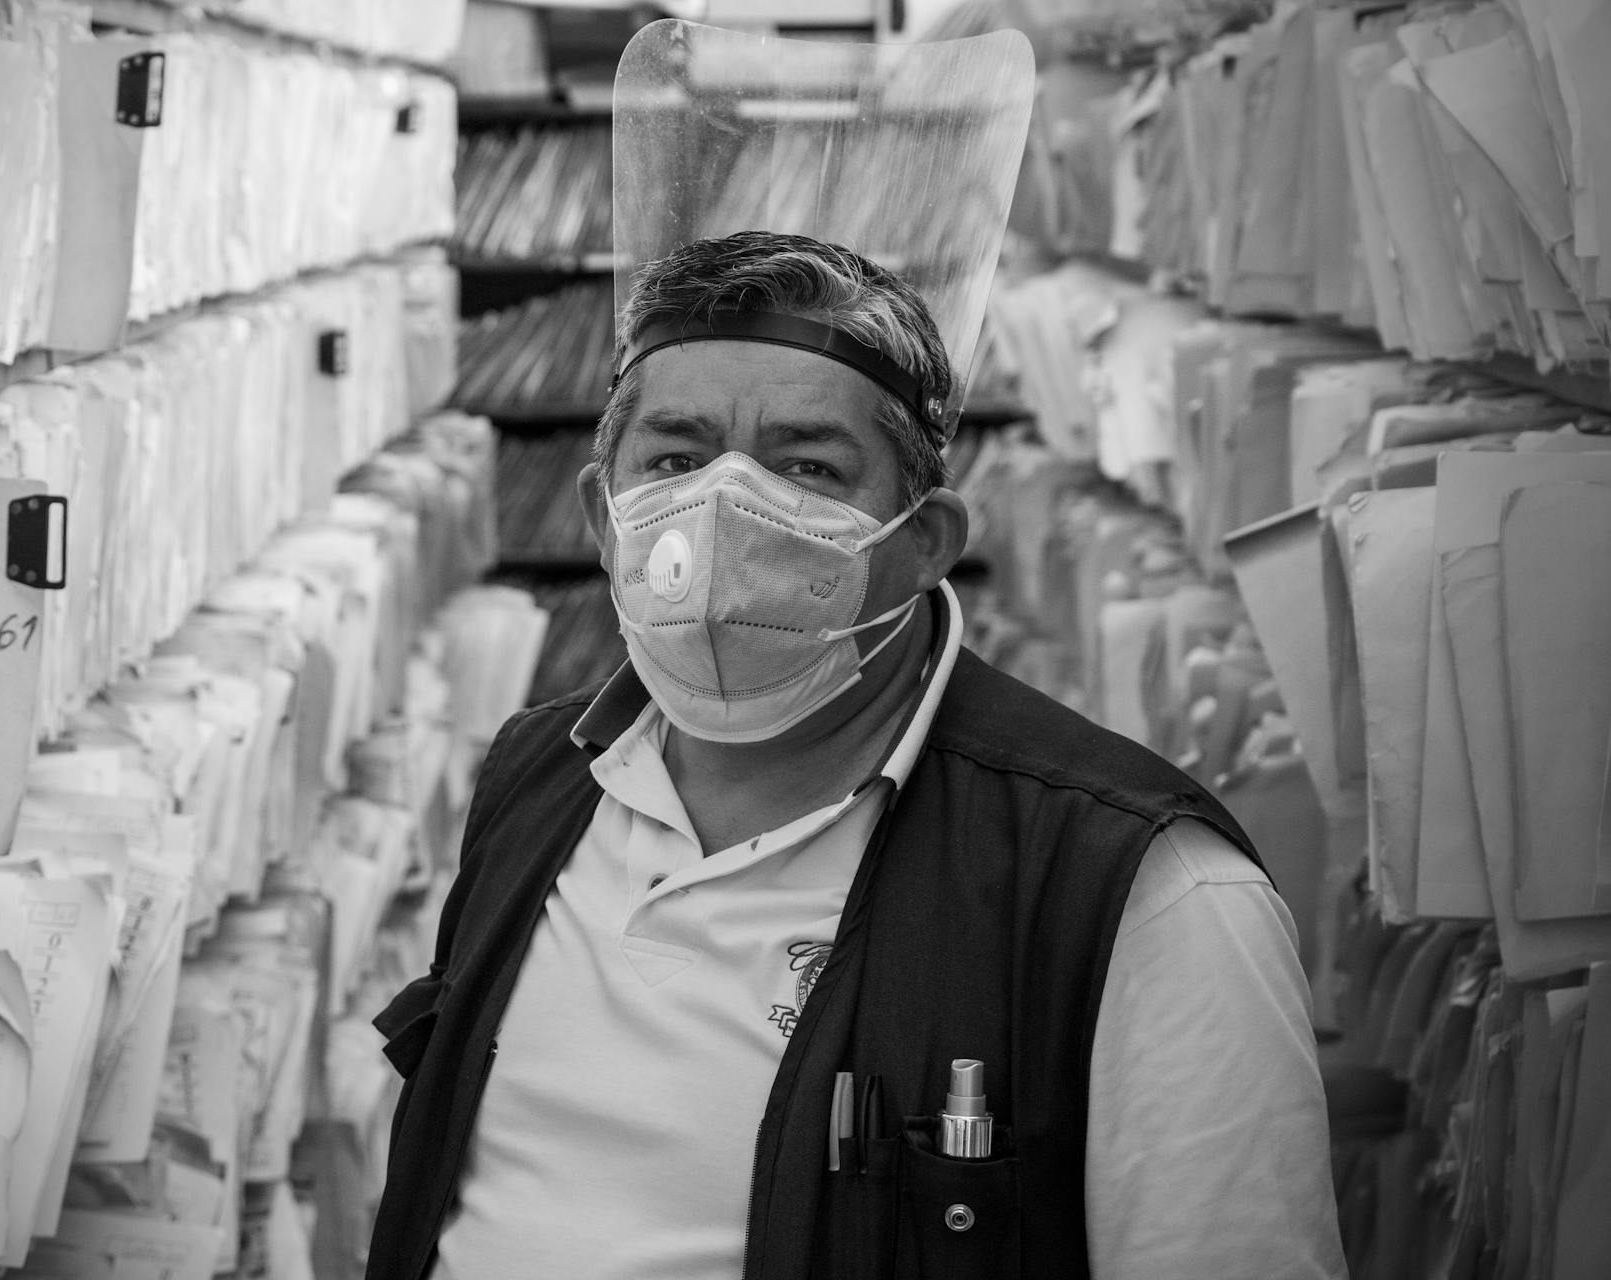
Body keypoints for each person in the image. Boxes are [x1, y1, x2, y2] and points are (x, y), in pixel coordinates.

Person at [368, 232, 1346, 1280]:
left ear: (923, 543)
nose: (722, 509)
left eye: (809, 465)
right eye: (675, 456)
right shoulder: (538, 773)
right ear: (603, 522)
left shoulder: (1138, 890)